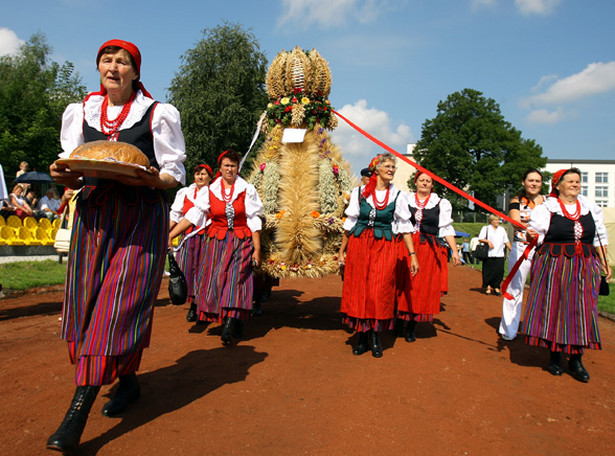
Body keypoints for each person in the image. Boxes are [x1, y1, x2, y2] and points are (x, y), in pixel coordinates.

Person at [46, 39, 186, 454]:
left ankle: (77, 413)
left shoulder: (158, 114)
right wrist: (61, 174)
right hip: (94, 217)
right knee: (88, 305)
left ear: (135, 72)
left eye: (122, 62)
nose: (113, 67)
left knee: (116, 306)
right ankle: (128, 380)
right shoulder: (80, 112)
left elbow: (172, 173)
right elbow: (70, 171)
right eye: (106, 60)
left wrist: (148, 178)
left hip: (140, 216)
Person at [521, 168, 610, 382]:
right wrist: (530, 233)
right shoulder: (547, 208)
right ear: (558, 185)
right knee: (555, 308)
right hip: (554, 265)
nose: (575, 185)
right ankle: (555, 356)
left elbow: (599, 237)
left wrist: (605, 264)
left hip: (585, 265)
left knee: (582, 309)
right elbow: (534, 235)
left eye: (578, 181)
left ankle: (576, 359)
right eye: (570, 181)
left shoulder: (590, 208)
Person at [169, 149, 263, 345]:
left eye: (233, 166)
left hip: (241, 240)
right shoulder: (210, 191)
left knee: (236, 279)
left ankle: (229, 323)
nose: (230, 169)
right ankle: (234, 318)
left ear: (238, 168)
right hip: (217, 242)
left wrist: (257, 249)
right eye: (227, 165)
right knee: (219, 278)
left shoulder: (247, 189)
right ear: (220, 168)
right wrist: (170, 235)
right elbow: (193, 216)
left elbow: (253, 219)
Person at [338, 153, 419, 358]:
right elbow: (349, 224)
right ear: (376, 169)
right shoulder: (359, 193)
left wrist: (412, 254)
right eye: (388, 166)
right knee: (360, 290)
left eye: (393, 167)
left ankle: (374, 335)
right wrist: (341, 251)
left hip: (384, 246)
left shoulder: (399, 196)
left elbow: (405, 227)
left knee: (379, 289)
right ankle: (362, 335)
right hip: (359, 245)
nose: (391, 170)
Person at [396, 171, 460, 342]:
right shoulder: (404, 199)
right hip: (404, 244)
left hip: (427, 249)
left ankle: (411, 326)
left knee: (419, 287)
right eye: (421, 180)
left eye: (428, 181)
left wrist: (454, 250)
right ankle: (398, 319)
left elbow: (446, 228)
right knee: (402, 283)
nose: (424, 183)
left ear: (432, 185)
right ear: (415, 183)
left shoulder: (441, 203)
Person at [498, 169, 545, 341]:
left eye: (537, 181)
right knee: (515, 288)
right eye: (530, 180)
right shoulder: (515, 201)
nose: (534, 184)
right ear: (523, 182)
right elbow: (515, 221)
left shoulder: (549, 202)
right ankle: (508, 329)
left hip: (543, 251)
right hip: (521, 249)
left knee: (543, 290)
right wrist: (528, 228)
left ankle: (540, 330)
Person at [169, 163, 213, 322]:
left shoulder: (210, 193)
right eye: (197, 174)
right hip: (187, 236)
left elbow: (195, 215)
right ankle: (193, 304)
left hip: (204, 236)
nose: (200, 177)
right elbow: (175, 214)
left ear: (210, 177)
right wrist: (165, 233)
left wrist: (171, 234)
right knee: (187, 270)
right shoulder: (185, 192)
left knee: (203, 271)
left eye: (203, 174)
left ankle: (201, 307)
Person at [478, 214, 511, 296]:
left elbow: (506, 241)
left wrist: (511, 250)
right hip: (489, 254)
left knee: (499, 271)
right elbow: (480, 238)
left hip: (500, 254)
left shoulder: (502, 229)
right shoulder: (486, 228)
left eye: (498, 220)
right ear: (491, 221)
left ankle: (496, 287)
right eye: (495, 220)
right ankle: (488, 287)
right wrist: (488, 242)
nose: (497, 222)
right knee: (488, 271)